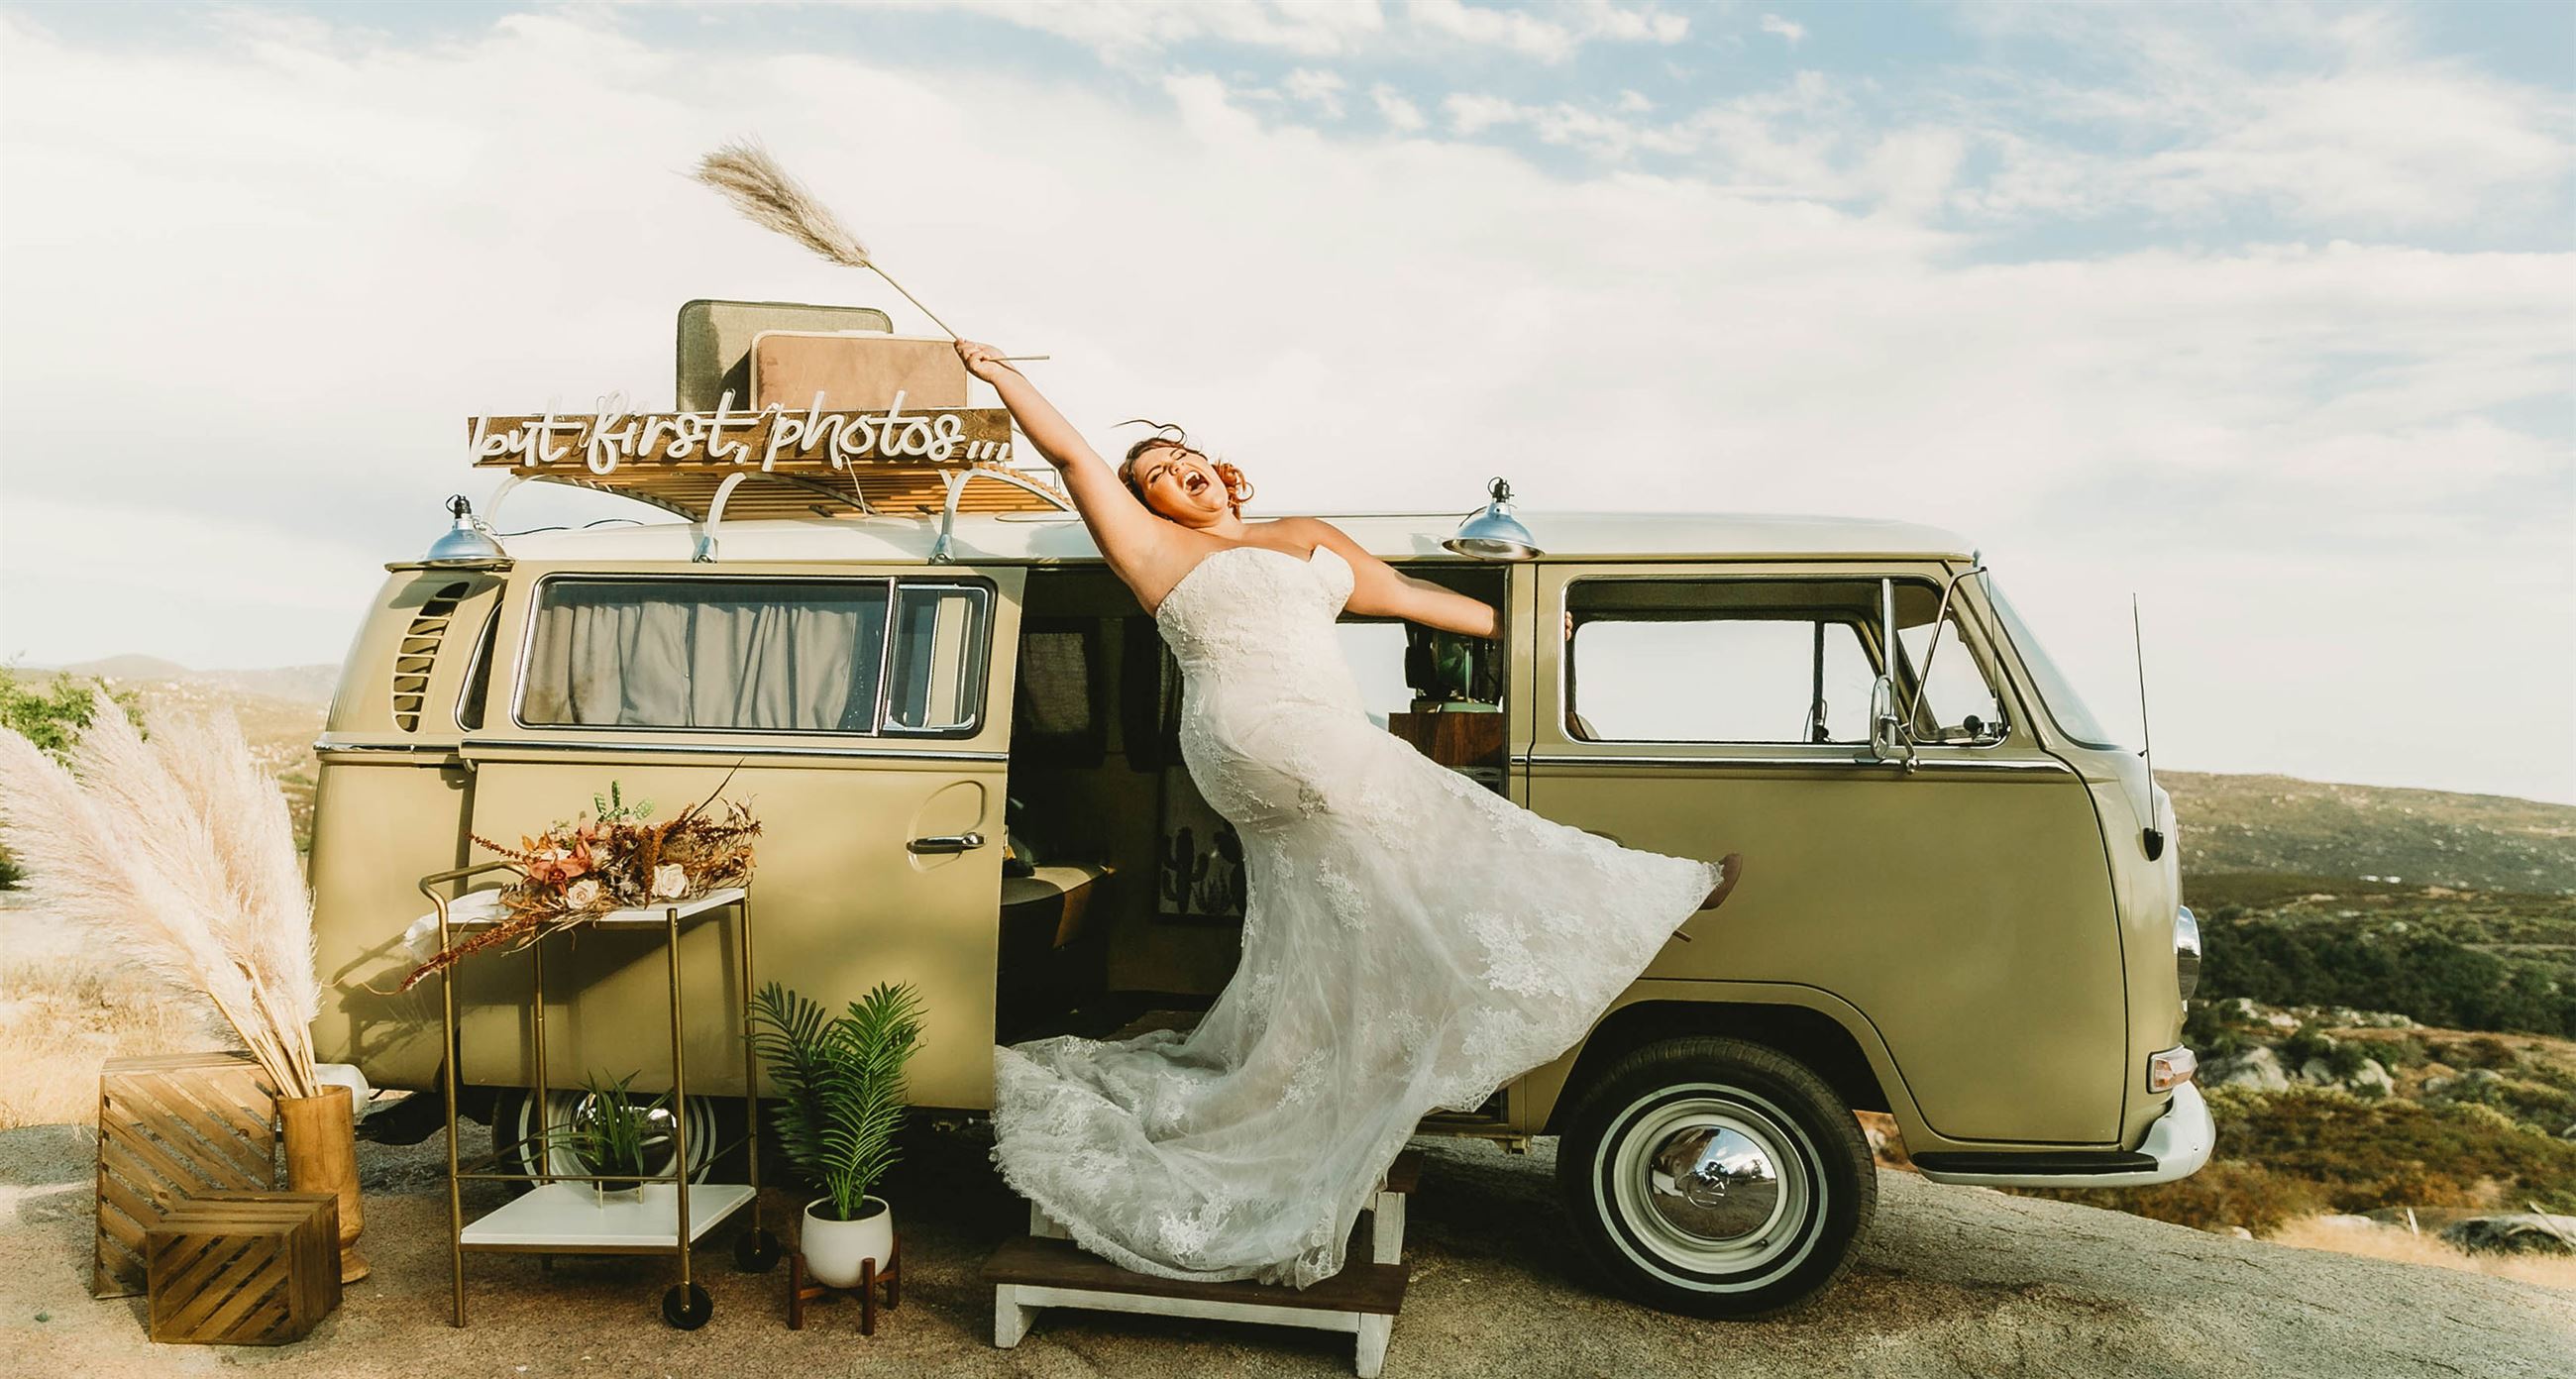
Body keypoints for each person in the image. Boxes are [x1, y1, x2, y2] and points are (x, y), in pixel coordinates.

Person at [960, 339, 1742, 1289]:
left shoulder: (1302, 534)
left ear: (1219, 466)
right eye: (1155, 478)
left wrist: (1529, 628)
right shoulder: (1154, 550)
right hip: (1259, 733)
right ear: (1149, 504)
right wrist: (1005, 378)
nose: (1175, 477)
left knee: (1322, 918)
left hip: (1302, 739)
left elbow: (1409, 597)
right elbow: (1078, 459)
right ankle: (1648, 888)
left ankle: (1305, 1072)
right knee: (1437, 808)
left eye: (1179, 459)